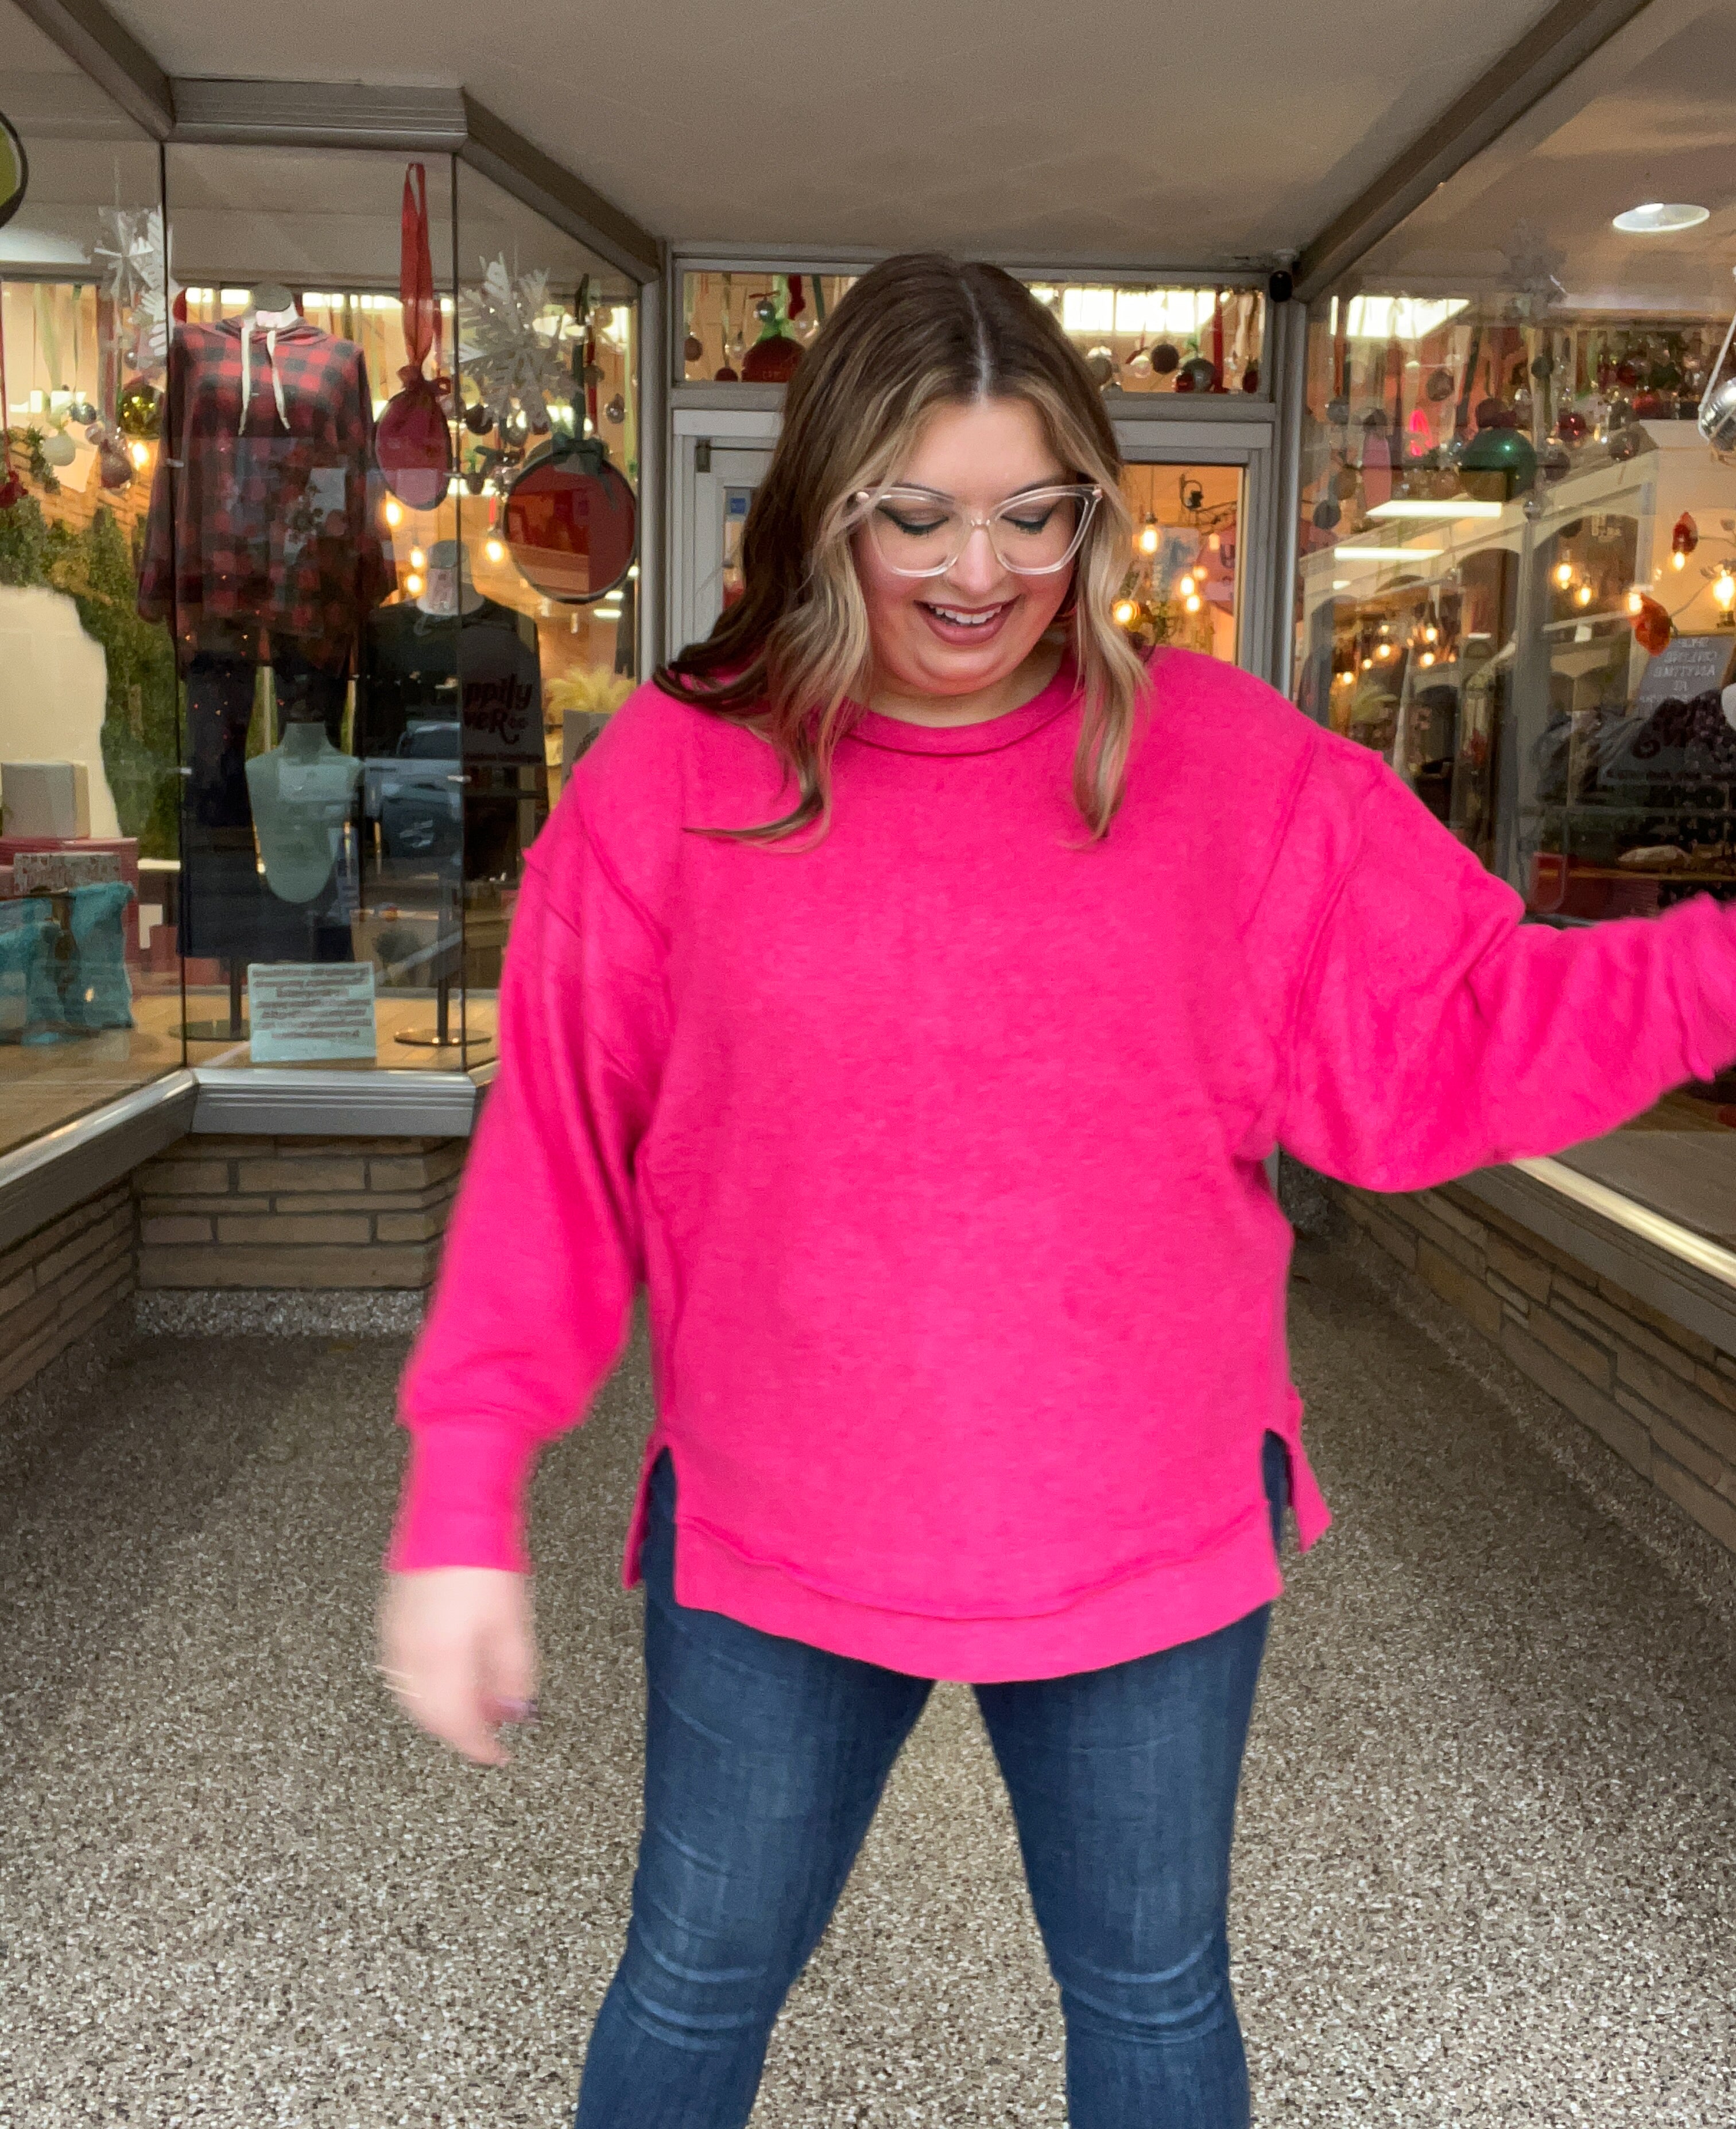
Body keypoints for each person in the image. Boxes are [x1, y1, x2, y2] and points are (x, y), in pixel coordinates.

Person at [377, 255, 1736, 2129]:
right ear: (821, 509)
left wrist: (1722, 968)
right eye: (912, 515)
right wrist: (465, 1494)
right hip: (777, 1532)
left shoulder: (1241, 776)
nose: (976, 574)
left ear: (1095, 517)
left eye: (1036, 516)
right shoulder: (675, 784)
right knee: (692, 1992)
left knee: (1156, 2003)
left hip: (1148, 1534)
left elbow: (1466, 1028)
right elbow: (557, 1154)